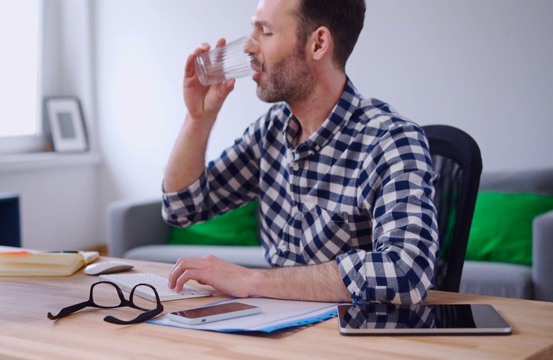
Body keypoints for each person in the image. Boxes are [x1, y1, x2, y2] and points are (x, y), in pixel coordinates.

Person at [162, 0, 439, 304]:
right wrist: (197, 119)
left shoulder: (390, 140)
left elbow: (406, 272)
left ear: (318, 43)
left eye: (265, 33)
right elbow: (181, 207)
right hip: (275, 327)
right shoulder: (271, 130)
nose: (248, 48)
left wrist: (250, 279)